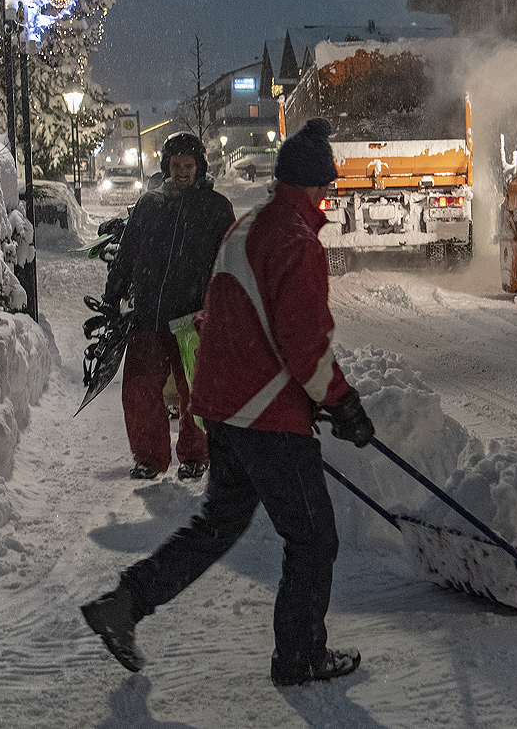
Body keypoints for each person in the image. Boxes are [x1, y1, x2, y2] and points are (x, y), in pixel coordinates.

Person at [81, 117, 377, 688]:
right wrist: (341, 403)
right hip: (265, 415)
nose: (329, 197)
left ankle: (124, 605)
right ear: (315, 187)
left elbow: (230, 317)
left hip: (222, 408)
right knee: (314, 538)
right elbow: (304, 343)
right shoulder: (297, 243)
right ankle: (299, 658)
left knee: (216, 526)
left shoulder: (246, 228)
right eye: (328, 187)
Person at [104, 132, 235, 481]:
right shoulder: (150, 206)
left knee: (194, 391)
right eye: (175, 165)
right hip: (149, 314)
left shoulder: (216, 209)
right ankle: (149, 458)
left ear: (200, 168)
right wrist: (112, 292)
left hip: (192, 318)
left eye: (188, 166)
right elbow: (128, 252)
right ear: (166, 167)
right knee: (138, 386)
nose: (181, 172)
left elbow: (229, 262)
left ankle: (195, 456)